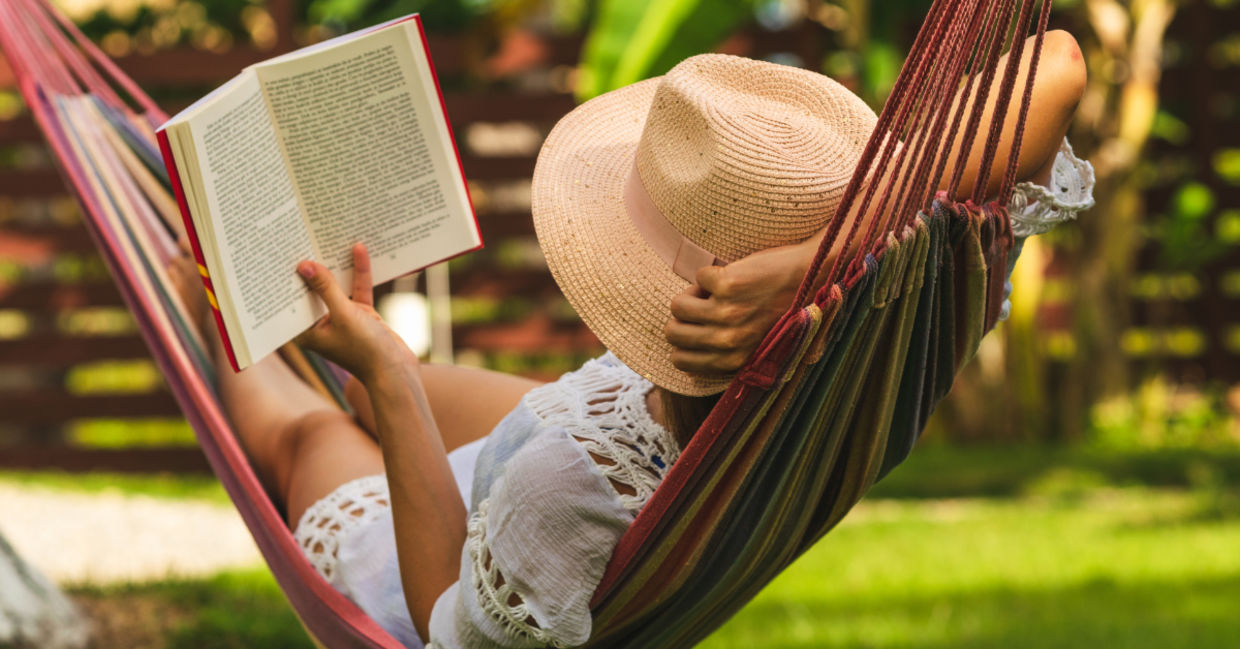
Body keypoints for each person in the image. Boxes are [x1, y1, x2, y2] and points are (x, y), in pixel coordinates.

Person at [169, 30, 1093, 649]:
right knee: (366, 389)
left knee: (315, 432)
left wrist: (391, 376)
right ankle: (340, 360)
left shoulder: (563, 493)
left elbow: (448, 620)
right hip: (636, 427)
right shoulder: (894, 320)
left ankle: (210, 311)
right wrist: (818, 262)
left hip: (482, 546)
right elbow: (1058, 62)